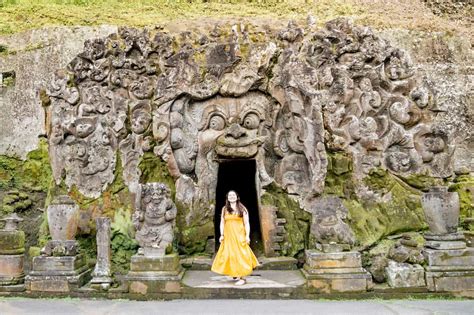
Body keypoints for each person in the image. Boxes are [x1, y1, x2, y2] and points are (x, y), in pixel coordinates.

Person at [211, 190, 259, 285]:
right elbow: (222, 223)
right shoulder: (224, 209)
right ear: (227, 198)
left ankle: (242, 277)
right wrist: (221, 235)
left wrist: (247, 236)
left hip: (239, 235)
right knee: (230, 254)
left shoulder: (242, 209)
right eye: (230, 195)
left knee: (241, 254)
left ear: (237, 197)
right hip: (229, 236)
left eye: (233, 195)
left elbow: (246, 223)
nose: (231, 196)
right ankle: (235, 273)